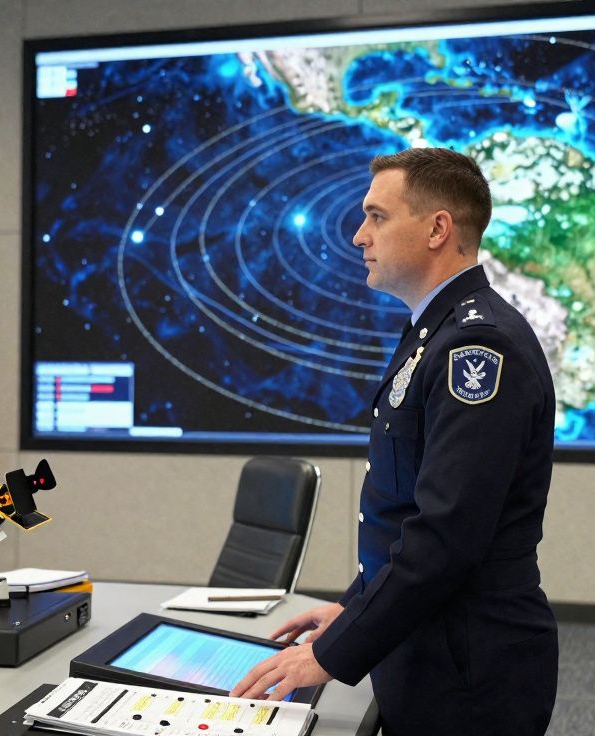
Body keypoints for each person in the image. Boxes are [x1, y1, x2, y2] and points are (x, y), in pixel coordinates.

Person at [231, 147, 558, 735]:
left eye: (376, 217)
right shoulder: (433, 331)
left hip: (470, 669)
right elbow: (404, 515)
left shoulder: (477, 348)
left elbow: (447, 534)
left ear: (438, 229)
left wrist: (332, 653)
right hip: (430, 646)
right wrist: (352, 606)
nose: (359, 236)